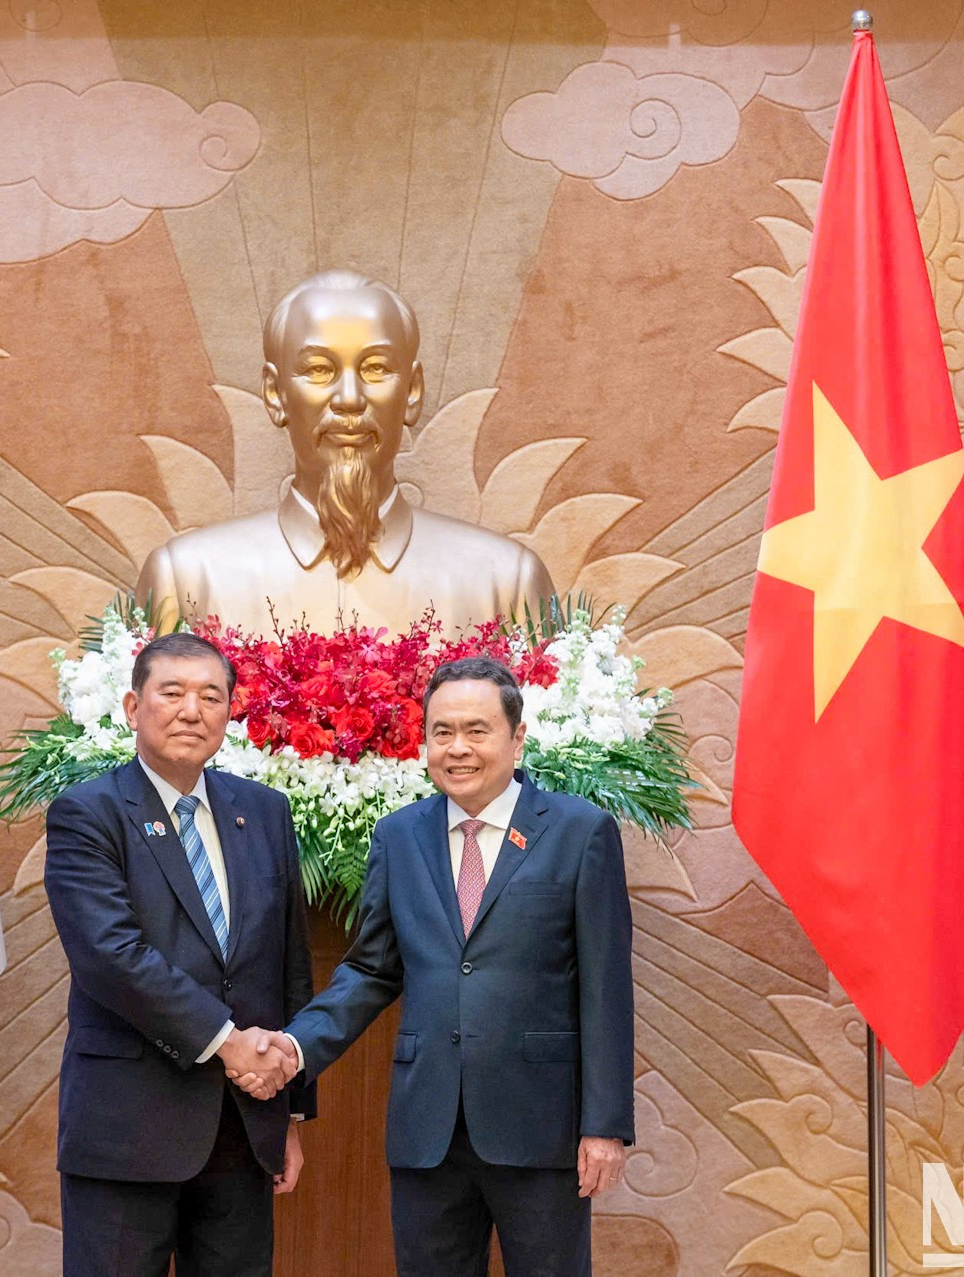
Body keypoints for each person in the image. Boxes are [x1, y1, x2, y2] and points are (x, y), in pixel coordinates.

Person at [238, 655, 634, 1276]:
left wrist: (605, 1126)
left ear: (517, 737)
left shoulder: (579, 832)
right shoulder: (399, 836)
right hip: (428, 1131)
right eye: (441, 732)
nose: (458, 749)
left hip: (542, 1127)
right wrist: (295, 1046)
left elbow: (606, 988)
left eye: (477, 731)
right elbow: (370, 970)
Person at [43, 631, 314, 1277]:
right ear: (134, 706)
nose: (192, 710)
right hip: (126, 1127)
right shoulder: (88, 813)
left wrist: (291, 1113)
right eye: (173, 693)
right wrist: (226, 1041)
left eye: (210, 695)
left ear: (229, 711)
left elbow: (288, 965)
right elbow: (112, 955)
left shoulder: (265, 811)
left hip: (242, 1128)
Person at [136, 270, 554, 633]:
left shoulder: (505, 586)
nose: (350, 399)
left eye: (376, 368)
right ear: (274, 394)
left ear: (411, 392)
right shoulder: (189, 582)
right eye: (319, 370)